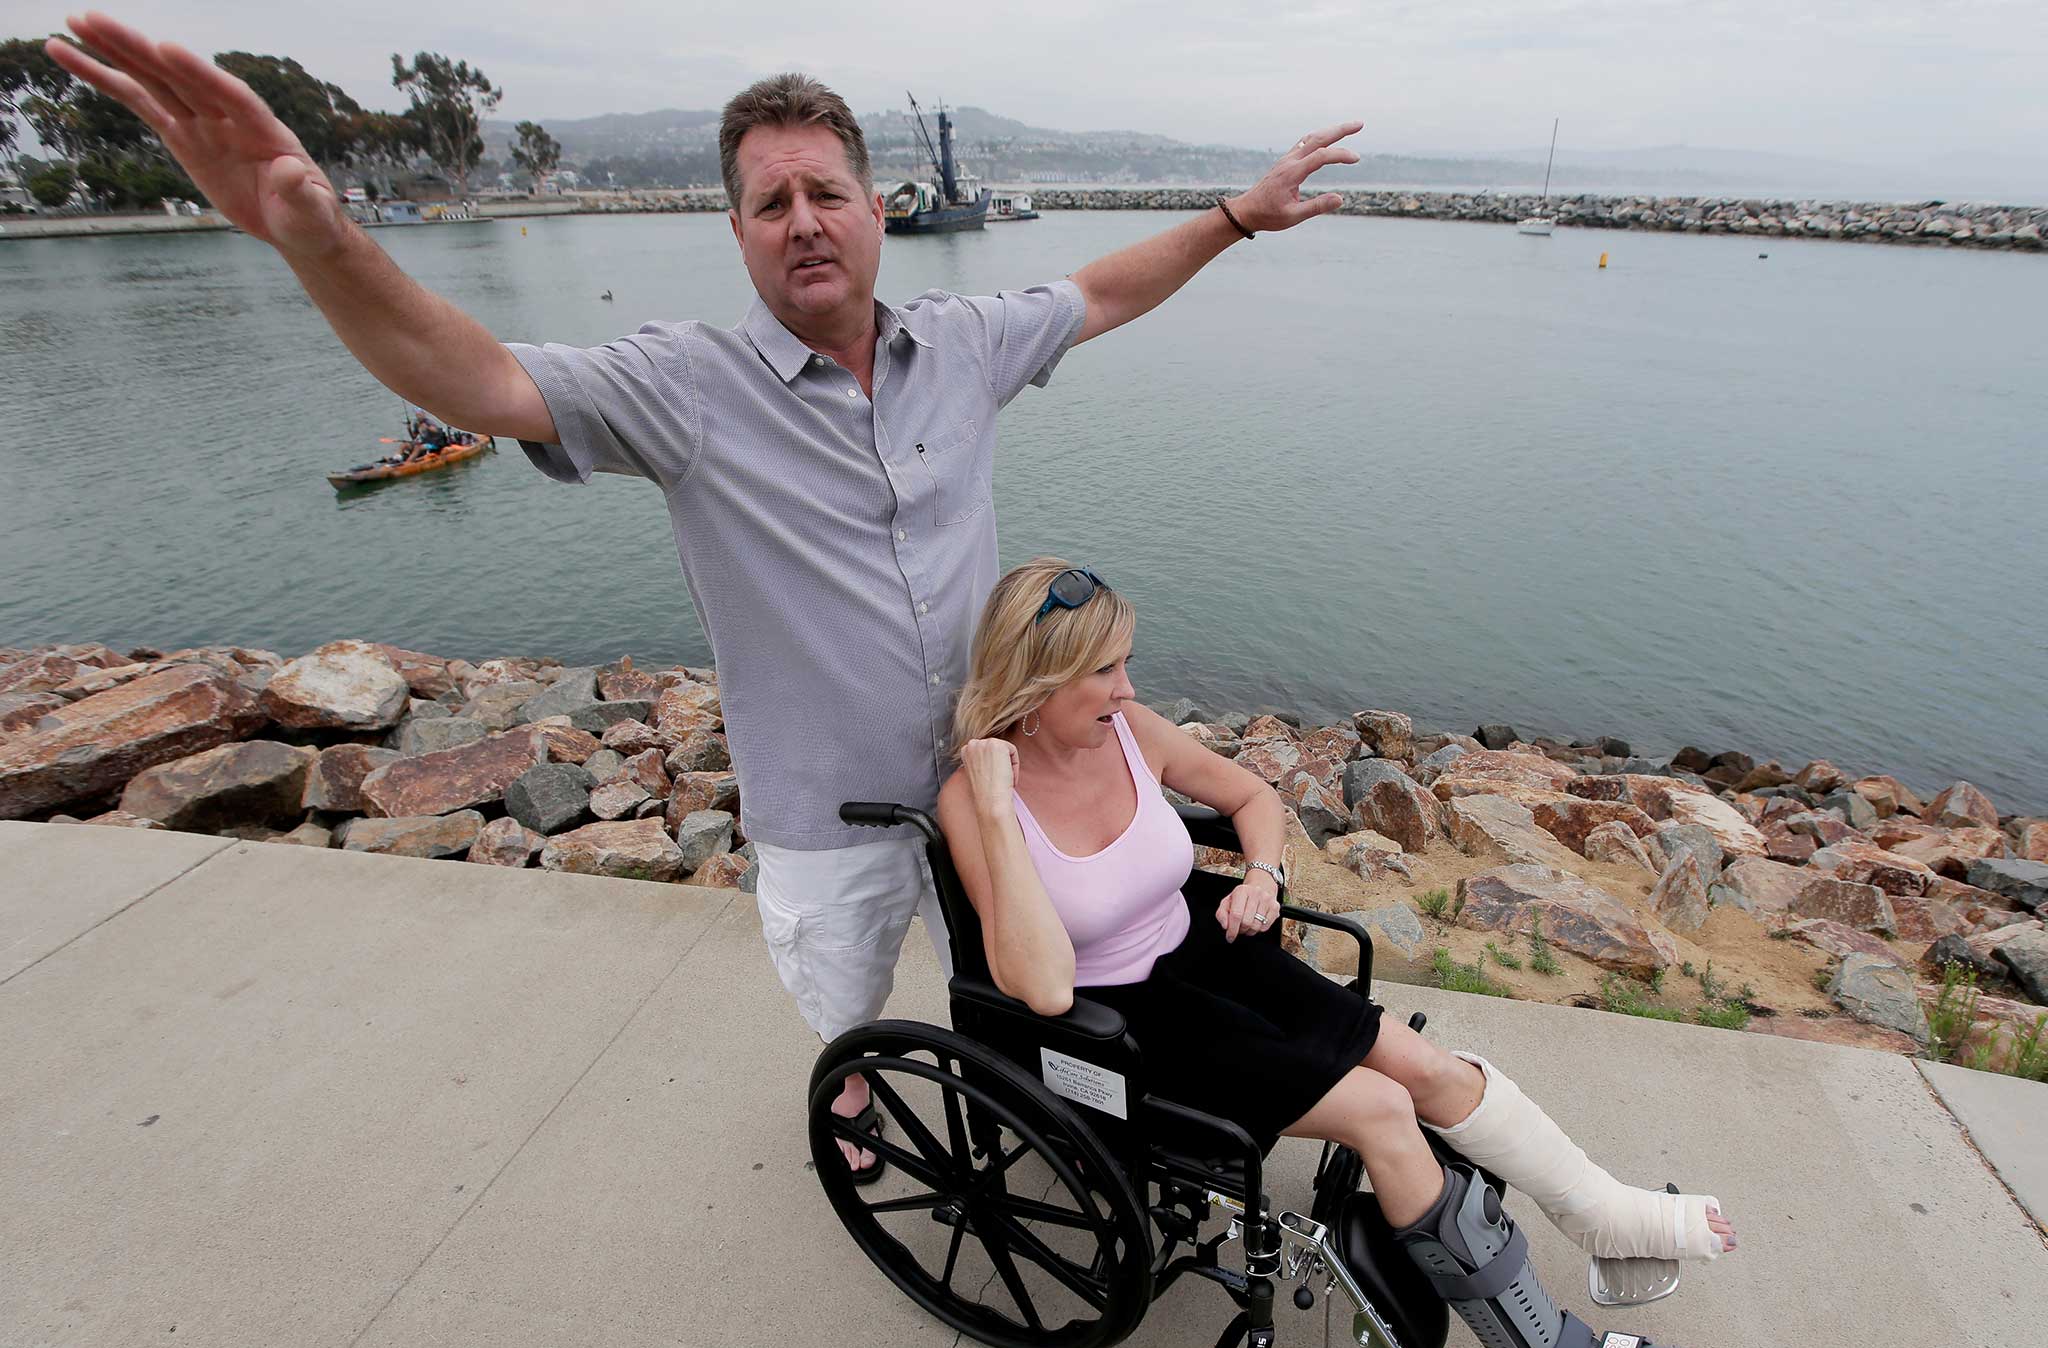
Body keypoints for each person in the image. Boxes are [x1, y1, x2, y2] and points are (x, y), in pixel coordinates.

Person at [47, 14, 1362, 1179]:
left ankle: (1031, 1118)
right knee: (850, 1013)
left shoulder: (960, 348)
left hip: (998, 787)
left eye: (826, 191)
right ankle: (853, 1099)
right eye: (771, 200)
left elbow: (1099, 292)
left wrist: (1238, 217)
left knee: (1012, 1002)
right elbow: (479, 382)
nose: (803, 218)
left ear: (874, 209)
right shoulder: (684, 389)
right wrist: (320, 243)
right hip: (831, 814)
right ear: (736, 230)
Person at [937, 557, 1739, 1267]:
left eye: (1128, 664)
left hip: (1207, 953)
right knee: (1384, 1109)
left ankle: (1597, 1212)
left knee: (1428, 1068)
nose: (1130, 688)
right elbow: (1039, 988)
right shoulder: (976, 805)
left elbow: (1253, 794)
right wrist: (998, 809)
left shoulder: (1131, 732)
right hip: (1118, 1025)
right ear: (1036, 682)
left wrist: (1260, 877)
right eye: (1106, 672)